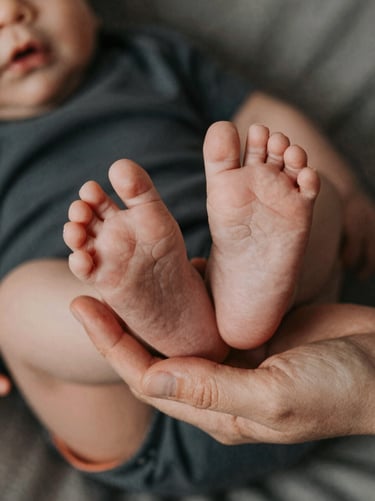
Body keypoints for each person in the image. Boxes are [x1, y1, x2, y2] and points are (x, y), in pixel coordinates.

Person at [0, 0, 375, 495]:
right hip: (140, 408)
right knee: (17, 303)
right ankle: (161, 316)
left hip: (303, 362)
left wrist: (346, 194)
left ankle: (231, 297)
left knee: (309, 189)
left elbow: (263, 114)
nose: (12, 12)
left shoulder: (151, 56)